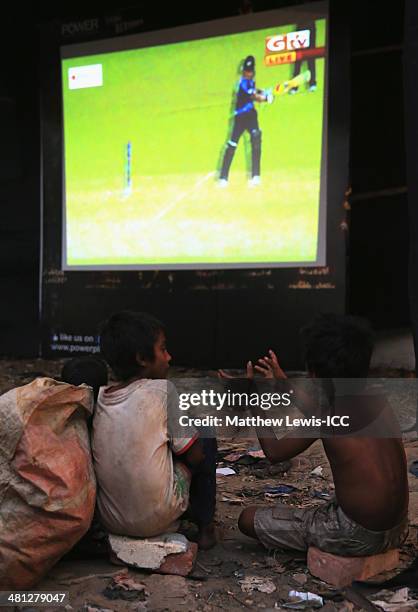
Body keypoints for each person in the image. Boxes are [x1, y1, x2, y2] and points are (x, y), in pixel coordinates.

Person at [223, 314, 409, 556]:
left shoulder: (327, 419)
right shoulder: (378, 400)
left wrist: (252, 399)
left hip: (357, 536)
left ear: (314, 374)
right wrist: (283, 384)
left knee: (247, 518)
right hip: (398, 529)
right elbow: (325, 416)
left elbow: (274, 452)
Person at [92, 311, 217, 550]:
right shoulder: (163, 391)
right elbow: (196, 456)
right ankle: (205, 528)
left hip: (111, 522)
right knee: (203, 431)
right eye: (163, 349)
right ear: (142, 358)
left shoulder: (99, 399)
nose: (169, 357)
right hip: (158, 518)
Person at [219, 55, 273, 187]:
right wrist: (266, 98)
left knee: (256, 138)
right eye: (246, 71)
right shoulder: (241, 83)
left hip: (251, 116)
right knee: (232, 146)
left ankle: (255, 176)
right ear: (243, 71)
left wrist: (265, 91)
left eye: (250, 71)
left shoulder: (251, 82)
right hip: (240, 118)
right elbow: (254, 96)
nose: (248, 73)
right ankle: (223, 178)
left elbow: (255, 90)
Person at [289, 20, 317, 94]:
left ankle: (312, 84)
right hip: (300, 29)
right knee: (298, 60)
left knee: (310, 58)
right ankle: (294, 86)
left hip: (310, 28)